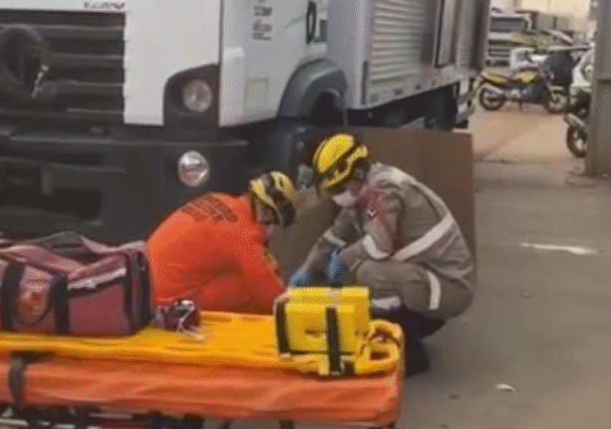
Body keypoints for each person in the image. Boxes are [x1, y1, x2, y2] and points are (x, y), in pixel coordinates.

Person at [290, 133, 476, 376]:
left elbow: (381, 246)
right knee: (364, 269)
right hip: (429, 281)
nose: (336, 194)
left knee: (368, 271)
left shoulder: (384, 188)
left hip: (449, 288)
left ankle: (408, 356)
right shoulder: (362, 193)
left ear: (356, 174)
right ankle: (399, 335)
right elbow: (332, 237)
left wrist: (343, 259)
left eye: (338, 187)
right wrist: (307, 270)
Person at [147, 170, 299, 315]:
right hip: (169, 303)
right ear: (267, 212)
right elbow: (270, 294)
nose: (270, 230)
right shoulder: (244, 233)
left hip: (145, 286)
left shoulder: (218, 198)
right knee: (248, 288)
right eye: (273, 223)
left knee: (240, 269)